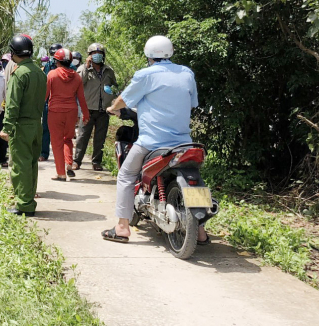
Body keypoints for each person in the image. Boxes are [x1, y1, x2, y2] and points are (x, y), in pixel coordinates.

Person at [100, 35, 206, 245]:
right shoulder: (186, 74)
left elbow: (124, 99)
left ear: (148, 55)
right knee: (197, 181)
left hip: (152, 142)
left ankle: (122, 227)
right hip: (184, 143)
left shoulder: (146, 75)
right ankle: (201, 232)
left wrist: (113, 108)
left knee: (126, 175)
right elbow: (192, 103)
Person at [0, 35, 47, 216]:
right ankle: (28, 200)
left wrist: (7, 127)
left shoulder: (19, 73)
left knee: (20, 166)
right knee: (31, 164)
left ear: (13, 53)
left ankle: (24, 204)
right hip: (36, 124)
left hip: (21, 125)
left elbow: (12, 104)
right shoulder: (39, 72)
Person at [46, 48, 89, 181]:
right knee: (68, 139)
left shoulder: (52, 75)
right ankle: (69, 164)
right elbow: (81, 98)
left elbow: (45, 96)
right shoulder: (76, 76)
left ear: (56, 61)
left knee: (56, 142)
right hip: (72, 111)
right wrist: (85, 115)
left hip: (55, 112)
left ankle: (61, 173)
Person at [74, 43, 117, 171]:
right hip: (88, 109)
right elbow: (78, 83)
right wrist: (87, 67)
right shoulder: (83, 68)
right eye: (94, 54)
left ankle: (96, 162)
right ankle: (77, 161)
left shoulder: (108, 71)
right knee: (82, 137)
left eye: (99, 54)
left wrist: (112, 93)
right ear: (89, 56)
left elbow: (115, 86)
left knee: (100, 138)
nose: (97, 56)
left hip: (103, 109)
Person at [39, 43, 62, 162]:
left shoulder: (68, 66)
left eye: (56, 53)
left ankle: (63, 155)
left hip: (63, 101)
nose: (55, 56)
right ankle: (43, 153)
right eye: (53, 54)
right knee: (45, 128)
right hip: (48, 101)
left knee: (62, 130)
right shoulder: (48, 65)